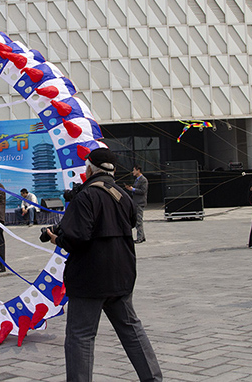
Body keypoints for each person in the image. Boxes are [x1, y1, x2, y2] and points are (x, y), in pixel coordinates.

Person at [44, 147, 161, 382]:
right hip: (121, 274)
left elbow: (76, 238)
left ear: (89, 170)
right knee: (131, 329)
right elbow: (130, 223)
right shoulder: (123, 195)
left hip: (89, 279)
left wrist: (56, 238)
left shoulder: (86, 196)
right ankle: (153, 378)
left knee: (81, 336)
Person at [124, 165, 148, 244]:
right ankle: (142, 237)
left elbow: (143, 191)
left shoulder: (143, 180)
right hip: (136, 202)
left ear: (138, 170)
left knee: (138, 220)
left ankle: (139, 238)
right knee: (138, 220)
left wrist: (133, 189)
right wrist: (130, 189)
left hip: (140, 202)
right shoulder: (137, 180)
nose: (133, 172)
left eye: (134, 170)